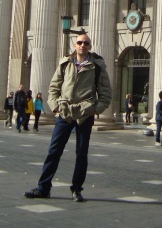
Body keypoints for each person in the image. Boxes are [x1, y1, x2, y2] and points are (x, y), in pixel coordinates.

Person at [24, 33, 112, 202]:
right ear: (74, 45)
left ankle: (77, 189)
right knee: (54, 151)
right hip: (64, 113)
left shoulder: (97, 66)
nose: (82, 45)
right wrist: (56, 106)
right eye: (79, 42)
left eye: (86, 43)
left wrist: (95, 109)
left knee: (81, 154)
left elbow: (106, 93)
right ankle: (43, 187)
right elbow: (53, 87)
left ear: (90, 46)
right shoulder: (65, 64)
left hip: (84, 115)